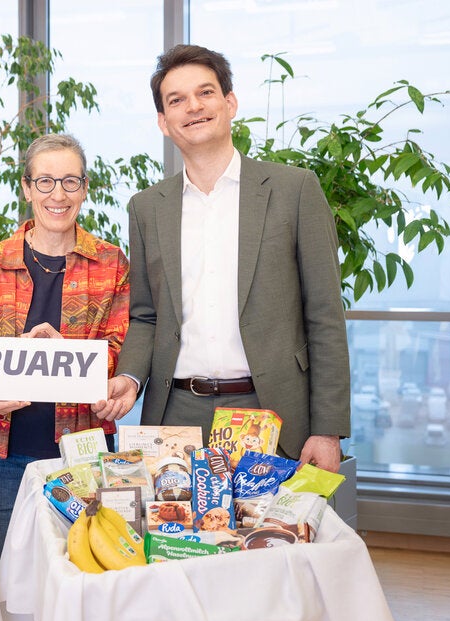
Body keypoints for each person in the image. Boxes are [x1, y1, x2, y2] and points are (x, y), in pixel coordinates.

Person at [94, 44, 350, 473]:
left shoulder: (294, 190)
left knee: (272, 537)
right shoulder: (146, 208)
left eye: (205, 93)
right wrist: (131, 378)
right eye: (176, 100)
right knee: (179, 538)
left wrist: (327, 430)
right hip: (176, 415)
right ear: (163, 121)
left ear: (229, 102)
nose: (192, 107)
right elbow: (146, 316)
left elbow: (324, 314)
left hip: (271, 412)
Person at [0, 133, 130, 576]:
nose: (58, 194)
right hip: (2, 456)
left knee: (88, 580)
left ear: (85, 189)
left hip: (86, 452)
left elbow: (122, 346)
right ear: (27, 188)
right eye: (46, 182)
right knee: (8, 583)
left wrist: (69, 356)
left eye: (70, 182)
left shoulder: (111, 262)